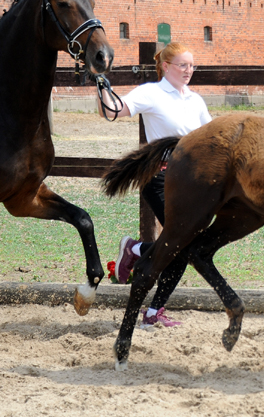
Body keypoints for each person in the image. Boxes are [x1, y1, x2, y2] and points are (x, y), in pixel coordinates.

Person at [97, 42, 211, 327]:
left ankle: (135, 250)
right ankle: (151, 311)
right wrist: (100, 87)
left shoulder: (195, 100)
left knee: (183, 244)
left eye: (192, 65)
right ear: (165, 66)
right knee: (184, 243)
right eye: (182, 65)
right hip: (159, 178)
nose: (189, 71)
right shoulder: (152, 92)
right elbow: (115, 110)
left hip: (190, 182)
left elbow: (210, 137)